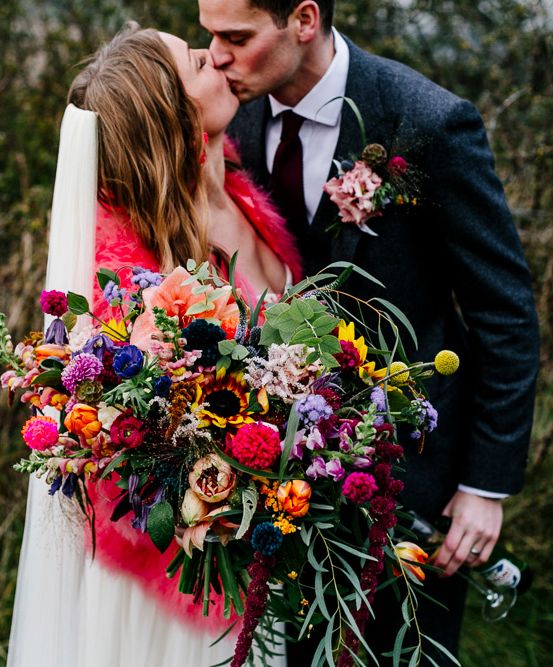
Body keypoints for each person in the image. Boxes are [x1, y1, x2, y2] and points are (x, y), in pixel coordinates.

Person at [197, 0, 540, 663]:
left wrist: (483, 485)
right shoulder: (225, 115)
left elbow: (503, 309)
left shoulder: (427, 123)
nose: (214, 54)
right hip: (269, 482)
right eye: (209, 34)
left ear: (302, 20)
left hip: (410, 482)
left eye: (234, 37)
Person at [7, 24, 302, 666]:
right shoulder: (130, 272)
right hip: (182, 583)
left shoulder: (246, 197)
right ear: (174, 117)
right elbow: (125, 445)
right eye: (200, 60)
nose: (219, 57)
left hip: (259, 553)